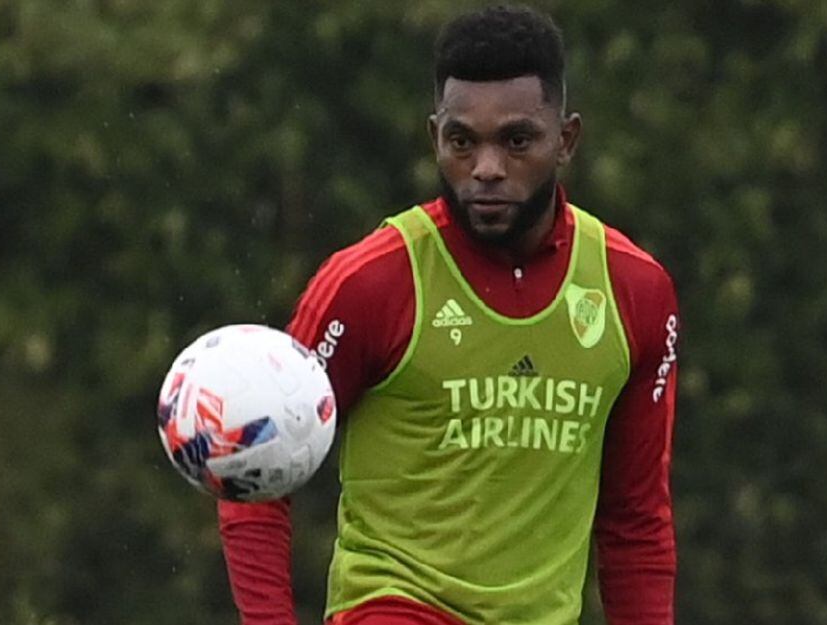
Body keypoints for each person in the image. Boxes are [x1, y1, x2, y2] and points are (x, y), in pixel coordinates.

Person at [218, 6, 679, 624]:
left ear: (565, 140)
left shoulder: (634, 290)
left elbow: (636, 519)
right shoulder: (371, 283)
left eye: (517, 141)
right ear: (435, 135)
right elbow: (256, 470)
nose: (486, 168)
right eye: (462, 141)